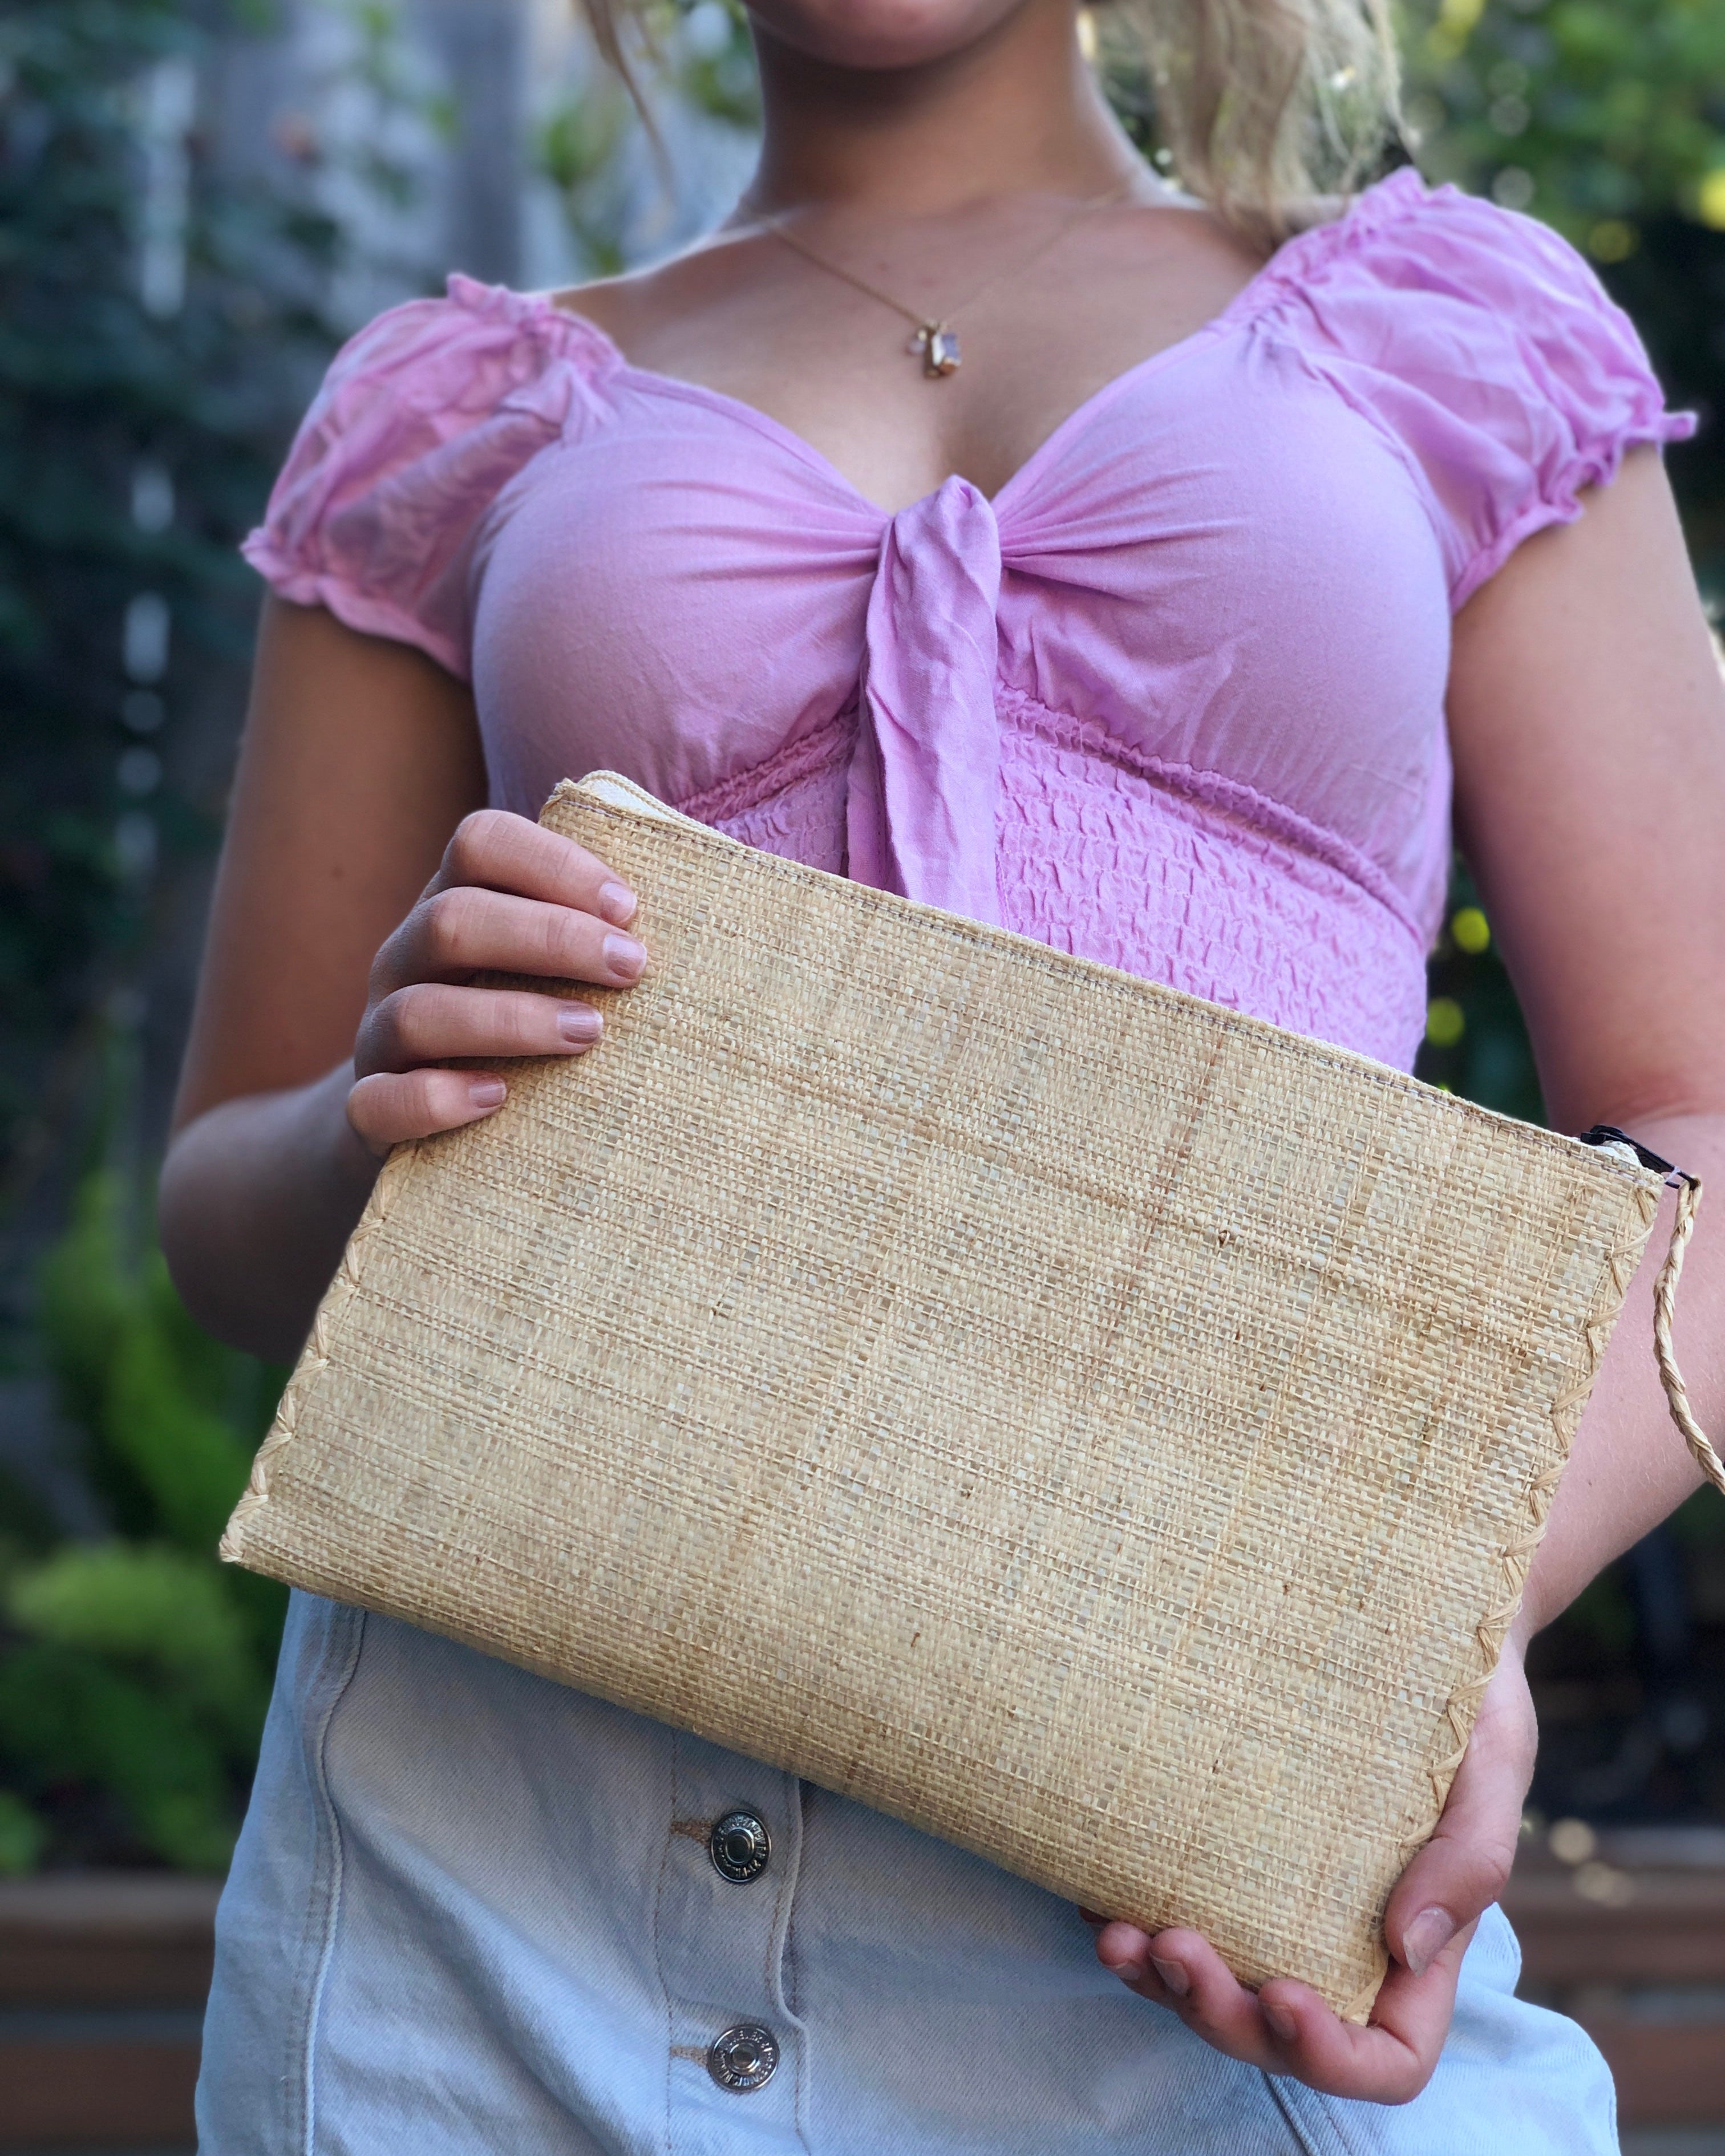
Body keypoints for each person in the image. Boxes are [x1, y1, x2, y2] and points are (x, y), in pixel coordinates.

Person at [163, 0, 1725, 2147]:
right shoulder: (456, 409)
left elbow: (1710, 1119)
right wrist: (380, 1114)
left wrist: (1410, 1614)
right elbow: (222, 1206)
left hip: (1190, 1917)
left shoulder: (1448, 328)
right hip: (491, 1906)